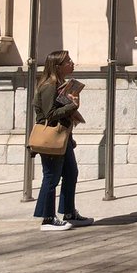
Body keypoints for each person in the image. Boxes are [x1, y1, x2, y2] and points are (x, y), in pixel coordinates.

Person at [31, 50, 92, 231]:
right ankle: (48, 218)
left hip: (63, 138)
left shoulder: (59, 85)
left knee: (71, 173)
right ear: (58, 66)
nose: (72, 63)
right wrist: (72, 105)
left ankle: (69, 212)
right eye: (68, 61)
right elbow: (49, 115)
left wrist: (70, 137)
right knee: (51, 177)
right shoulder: (49, 86)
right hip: (51, 138)